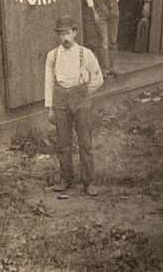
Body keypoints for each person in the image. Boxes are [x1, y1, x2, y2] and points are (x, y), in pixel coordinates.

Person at [45, 14, 104, 196]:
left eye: (68, 33)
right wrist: (49, 107)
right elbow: (48, 82)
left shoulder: (85, 54)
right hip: (60, 98)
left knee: (85, 141)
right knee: (63, 142)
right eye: (61, 34)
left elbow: (98, 78)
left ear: (75, 33)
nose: (65, 38)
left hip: (80, 98)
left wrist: (84, 92)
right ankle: (66, 179)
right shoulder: (52, 56)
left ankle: (89, 181)